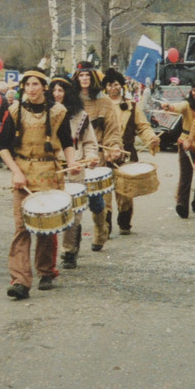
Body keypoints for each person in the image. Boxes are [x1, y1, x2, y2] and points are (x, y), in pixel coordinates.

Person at [0, 69, 78, 299]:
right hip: (23, 173)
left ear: (44, 87)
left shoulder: (58, 112)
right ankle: (20, 280)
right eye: (27, 84)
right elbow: (1, 144)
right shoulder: (14, 111)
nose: (31, 88)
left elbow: (67, 141)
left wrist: (72, 162)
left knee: (46, 226)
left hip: (49, 172)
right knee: (22, 228)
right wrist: (15, 171)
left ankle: (46, 271)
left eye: (35, 84)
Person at [51, 74, 102, 269]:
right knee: (52, 211)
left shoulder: (81, 116)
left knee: (74, 212)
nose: (57, 94)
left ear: (68, 92)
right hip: (52, 167)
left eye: (61, 90)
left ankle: (69, 251)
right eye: (54, 90)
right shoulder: (46, 114)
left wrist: (90, 158)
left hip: (75, 168)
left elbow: (90, 142)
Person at [103, 68, 160, 236]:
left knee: (125, 191)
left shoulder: (132, 106)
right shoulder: (101, 106)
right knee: (104, 192)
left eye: (115, 85)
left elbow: (143, 126)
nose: (113, 88)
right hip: (104, 154)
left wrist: (151, 138)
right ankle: (105, 227)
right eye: (109, 85)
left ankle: (124, 223)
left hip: (126, 154)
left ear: (121, 86)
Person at [73, 62, 123, 249]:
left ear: (93, 78)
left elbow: (112, 130)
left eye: (87, 75)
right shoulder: (70, 100)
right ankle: (72, 246)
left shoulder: (105, 102)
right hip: (73, 157)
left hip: (96, 157)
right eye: (81, 75)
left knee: (96, 200)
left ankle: (101, 229)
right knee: (73, 201)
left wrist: (113, 147)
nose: (84, 78)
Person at [161, 79, 195, 219]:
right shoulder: (187, 105)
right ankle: (182, 204)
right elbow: (178, 107)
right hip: (185, 142)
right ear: (191, 92)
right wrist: (168, 106)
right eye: (194, 91)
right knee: (185, 175)